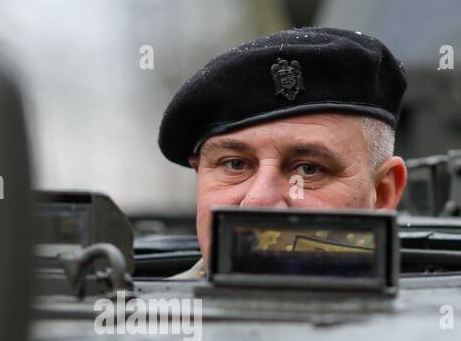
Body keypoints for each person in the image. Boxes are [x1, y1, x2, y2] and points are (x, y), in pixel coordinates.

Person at [157, 27, 408, 278]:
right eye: (234, 164)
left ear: (383, 193)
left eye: (308, 168)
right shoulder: (145, 313)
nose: (258, 202)